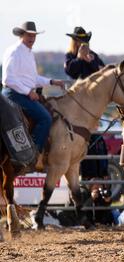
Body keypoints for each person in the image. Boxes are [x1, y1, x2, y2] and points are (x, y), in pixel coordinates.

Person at [2, 21, 65, 171]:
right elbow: (7, 79)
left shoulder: (28, 53)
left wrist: (51, 81)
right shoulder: (15, 51)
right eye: (29, 35)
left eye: (33, 35)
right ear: (22, 35)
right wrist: (28, 92)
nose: (32, 38)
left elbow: (33, 79)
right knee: (45, 118)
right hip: (14, 94)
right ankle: (33, 156)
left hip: (20, 93)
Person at [63, 27, 108, 182]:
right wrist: (80, 59)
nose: (83, 44)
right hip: (77, 105)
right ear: (74, 42)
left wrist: (91, 61)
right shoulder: (70, 56)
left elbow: (102, 73)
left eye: (85, 41)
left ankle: (98, 175)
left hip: (92, 105)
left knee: (94, 139)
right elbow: (70, 71)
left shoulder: (93, 56)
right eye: (80, 40)